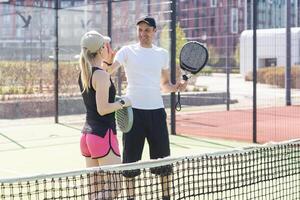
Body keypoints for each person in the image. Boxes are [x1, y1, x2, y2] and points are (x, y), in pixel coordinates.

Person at [107, 16, 187, 200]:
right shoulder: (127, 51)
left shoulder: (162, 54)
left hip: (157, 113)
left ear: (154, 32)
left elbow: (165, 84)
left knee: (163, 161)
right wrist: (106, 60)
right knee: (130, 161)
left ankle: (166, 196)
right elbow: (110, 70)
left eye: (147, 30)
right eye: (140, 30)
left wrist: (176, 87)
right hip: (132, 112)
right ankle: (131, 198)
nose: (143, 34)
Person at [78, 30, 131, 199]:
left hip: (87, 136)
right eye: (106, 46)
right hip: (103, 136)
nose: (109, 48)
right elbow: (103, 109)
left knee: (94, 190)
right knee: (115, 188)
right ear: (101, 50)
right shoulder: (100, 75)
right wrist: (123, 102)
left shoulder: (85, 73)